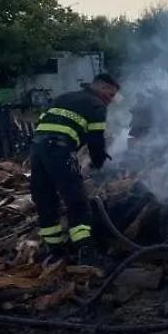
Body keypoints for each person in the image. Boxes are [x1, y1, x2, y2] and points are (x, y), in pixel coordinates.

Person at [29, 72, 120, 264]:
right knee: (77, 202)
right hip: (58, 150)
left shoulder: (64, 97)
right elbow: (96, 140)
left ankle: (56, 250)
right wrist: (98, 165)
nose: (110, 101)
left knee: (46, 201)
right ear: (101, 87)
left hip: (37, 151)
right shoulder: (97, 105)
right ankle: (86, 251)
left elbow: (43, 123)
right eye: (110, 95)